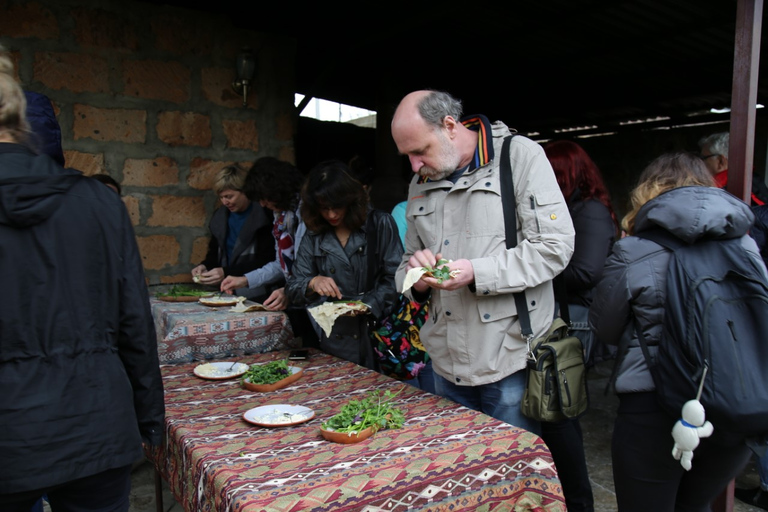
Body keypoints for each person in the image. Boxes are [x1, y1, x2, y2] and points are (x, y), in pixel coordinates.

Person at [0, 47, 164, 511]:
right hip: (96, 421)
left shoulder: (96, 201)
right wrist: (148, 419)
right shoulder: (98, 202)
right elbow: (136, 322)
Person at [391, 89, 575, 435]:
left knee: (510, 470)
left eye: (419, 152)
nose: (414, 166)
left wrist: (477, 272)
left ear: (449, 126)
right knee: (462, 468)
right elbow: (405, 264)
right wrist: (416, 276)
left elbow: (555, 247)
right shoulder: (420, 182)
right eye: (408, 156)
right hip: (445, 360)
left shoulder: (518, 157)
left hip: (509, 357)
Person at [589, 152, 757, 512]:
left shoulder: (634, 249)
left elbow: (604, 328)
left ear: (647, 195)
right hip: (734, 402)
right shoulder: (745, 245)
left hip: (654, 405)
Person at [540, 140, 619, 512]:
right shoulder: (570, 208)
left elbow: (587, 271)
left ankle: (577, 502)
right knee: (553, 411)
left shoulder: (589, 212)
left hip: (579, 320)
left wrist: (531, 271)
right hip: (564, 315)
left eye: (549, 174)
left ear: (566, 174)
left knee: (560, 413)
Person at [285, 160, 402, 369]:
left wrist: (369, 304)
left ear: (351, 200)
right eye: (324, 208)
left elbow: (396, 276)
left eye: (337, 206)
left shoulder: (380, 223)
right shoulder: (314, 235)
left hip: (377, 335)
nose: (331, 214)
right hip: (335, 338)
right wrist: (312, 283)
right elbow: (293, 287)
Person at [220, 157, 319, 348]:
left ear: (278, 190)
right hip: (301, 303)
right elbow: (279, 264)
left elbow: (317, 267)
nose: (263, 205)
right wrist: (244, 280)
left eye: (265, 199)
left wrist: (289, 291)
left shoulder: (309, 213)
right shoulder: (281, 218)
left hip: (317, 301)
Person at [191, 165, 278, 301]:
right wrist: (205, 266)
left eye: (229, 196)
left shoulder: (264, 216)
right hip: (228, 293)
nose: (225, 202)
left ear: (244, 191)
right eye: (221, 197)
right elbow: (215, 253)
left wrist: (226, 272)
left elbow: (267, 259)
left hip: (262, 292)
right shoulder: (219, 218)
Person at [698, 131, 767, 206]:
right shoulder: (749, 183)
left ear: (721, 161)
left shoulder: (742, 189)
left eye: (703, 158)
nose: (700, 163)